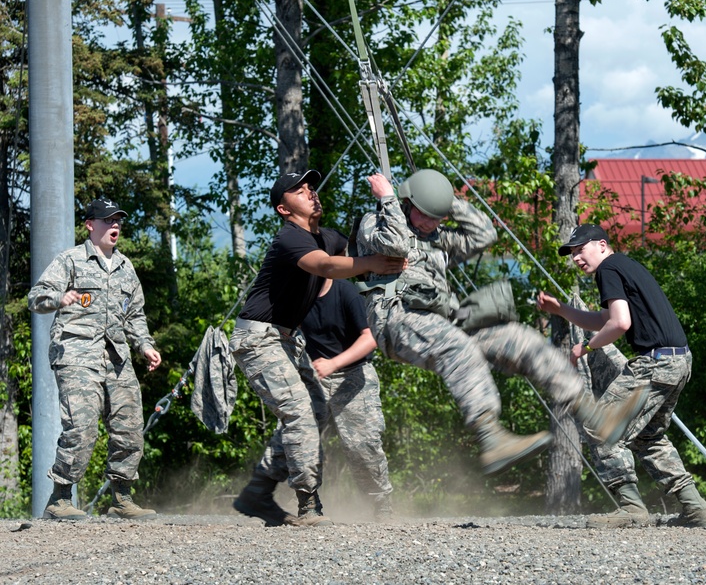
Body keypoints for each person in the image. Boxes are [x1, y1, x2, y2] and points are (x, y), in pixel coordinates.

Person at [357, 170, 648, 477]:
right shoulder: (374, 222)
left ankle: (593, 414)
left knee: (518, 338)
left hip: (441, 321)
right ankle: (490, 435)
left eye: (437, 217)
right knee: (458, 347)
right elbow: (396, 244)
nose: (430, 223)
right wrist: (388, 197)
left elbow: (484, 234)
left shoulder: (439, 239)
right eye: (424, 214)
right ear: (406, 201)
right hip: (396, 319)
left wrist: (446, 200)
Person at [230, 170, 404, 528]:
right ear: (282, 208)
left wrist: (387, 201)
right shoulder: (289, 239)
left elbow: (365, 247)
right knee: (301, 413)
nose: (310, 192)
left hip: (284, 339)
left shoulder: (326, 236)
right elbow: (327, 265)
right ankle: (307, 503)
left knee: (313, 411)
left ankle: (258, 490)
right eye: (299, 190)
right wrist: (368, 264)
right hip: (256, 338)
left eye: (311, 186)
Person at [537, 224, 706, 529]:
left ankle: (631, 507)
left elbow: (620, 323)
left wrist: (584, 348)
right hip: (678, 361)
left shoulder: (607, 269)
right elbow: (604, 319)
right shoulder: (624, 266)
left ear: (602, 245)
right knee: (648, 437)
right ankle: (696, 509)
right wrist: (562, 310)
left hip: (655, 363)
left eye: (581, 250)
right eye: (572, 254)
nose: (576, 258)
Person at [28, 198, 162, 520]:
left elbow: (135, 315)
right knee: (82, 426)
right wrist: (59, 298)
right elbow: (36, 297)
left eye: (118, 221)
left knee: (129, 425)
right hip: (75, 355)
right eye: (107, 220)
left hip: (116, 357)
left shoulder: (126, 268)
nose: (114, 226)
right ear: (90, 225)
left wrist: (145, 345)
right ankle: (60, 498)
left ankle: (122, 498)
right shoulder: (71, 260)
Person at [300, 276, 394, 521]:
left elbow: (370, 338)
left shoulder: (346, 292)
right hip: (312, 376)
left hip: (353, 374)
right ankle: (308, 503)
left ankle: (381, 502)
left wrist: (333, 364)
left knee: (362, 445)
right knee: (297, 436)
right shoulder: (292, 294)